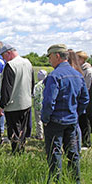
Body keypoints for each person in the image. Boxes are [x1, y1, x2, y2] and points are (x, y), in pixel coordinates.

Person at [42, 44, 89, 183]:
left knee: (54, 153)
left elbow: (49, 102)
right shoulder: (77, 74)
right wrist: (75, 113)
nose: (49, 61)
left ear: (57, 56)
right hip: (72, 122)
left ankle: (55, 180)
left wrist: (45, 119)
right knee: (73, 153)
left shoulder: (54, 76)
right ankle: (76, 180)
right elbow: (85, 99)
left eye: (50, 57)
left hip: (55, 122)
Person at [0, 44, 33, 153]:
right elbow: (32, 82)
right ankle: (21, 149)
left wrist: (1, 105)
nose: (3, 59)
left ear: (9, 52)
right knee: (22, 129)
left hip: (13, 105)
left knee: (13, 131)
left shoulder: (10, 65)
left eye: (3, 56)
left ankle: (16, 153)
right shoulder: (28, 62)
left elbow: (6, 88)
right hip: (26, 102)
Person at [76, 51, 92, 149]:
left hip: (87, 99)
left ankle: (87, 142)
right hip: (81, 97)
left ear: (82, 59)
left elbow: (87, 86)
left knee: (85, 121)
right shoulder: (81, 69)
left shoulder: (88, 71)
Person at [33, 69, 47, 140]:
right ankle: (46, 134)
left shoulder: (37, 85)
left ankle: (40, 135)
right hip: (46, 105)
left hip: (38, 106)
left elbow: (34, 95)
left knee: (39, 120)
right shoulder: (47, 83)